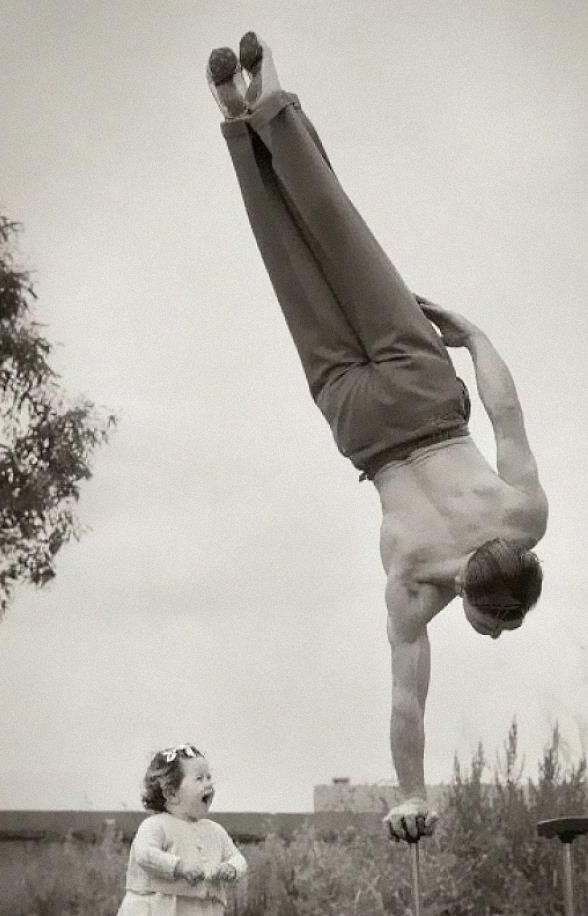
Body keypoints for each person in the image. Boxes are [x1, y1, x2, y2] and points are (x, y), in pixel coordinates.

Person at [206, 35, 548, 845]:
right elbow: (407, 702)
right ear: (470, 596)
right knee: (290, 264)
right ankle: (234, 118)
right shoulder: (413, 590)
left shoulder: (525, 519)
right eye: (500, 626)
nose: (495, 637)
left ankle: (268, 98)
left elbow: (506, 414)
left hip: (427, 394)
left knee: (338, 231)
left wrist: (475, 334)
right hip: (362, 421)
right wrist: (412, 795)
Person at [106, 744, 247, 916]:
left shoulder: (214, 830)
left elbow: (238, 857)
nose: (208, 784)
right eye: (199, 778)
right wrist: (178, 866)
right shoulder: (155, 825)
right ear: (171, 794)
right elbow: (145, 854)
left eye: (209, 777)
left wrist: (230, 868)